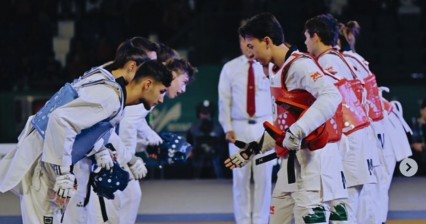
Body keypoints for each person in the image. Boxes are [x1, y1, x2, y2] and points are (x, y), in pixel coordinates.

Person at [0, 38, 173, 223]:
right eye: (162, 91)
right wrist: (63, 173)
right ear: (136, 71)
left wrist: (107, 151)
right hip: (42, 164)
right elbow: (60, 120)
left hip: (45, 159)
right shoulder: (110, 96)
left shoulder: (107, 83)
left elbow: (87, 127)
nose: (162, 99)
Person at [227, 12, 349, 224]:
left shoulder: (301, 65)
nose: (250, 54)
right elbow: (282, 124)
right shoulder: (277, 70)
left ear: (267, 41)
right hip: (292, 164)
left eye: (251, 46)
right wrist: (254, 148)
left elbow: (332, 96)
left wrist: (297, 130)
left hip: (315, 162)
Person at [218, 31, 275, 224]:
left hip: (264, 126)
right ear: (240, 42)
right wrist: (227, 127)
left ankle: (260, 220)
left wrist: (275, 130)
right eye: (243, 41)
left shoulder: (270, 66)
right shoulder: (230, 68)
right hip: (239, 126)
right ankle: (242, 220)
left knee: (264, 179)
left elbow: (277, 99)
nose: (247, 45)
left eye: (250, 41)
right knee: (240, 179)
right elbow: (223, 100)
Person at [187, 100, 227, 179]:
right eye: (203, 112)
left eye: (207, 112)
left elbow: (225, 148)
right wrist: (195, 152)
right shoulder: (193, 129)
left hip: (216, 164)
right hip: (197, 164)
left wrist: (215, 150)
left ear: (211, 113)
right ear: (199, 113)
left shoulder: (219, 129)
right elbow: (188, 147)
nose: (205, 115)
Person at [411, 99, 426, 175]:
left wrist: (423, 145)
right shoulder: (413, 125)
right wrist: (413, 145)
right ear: (422, 110)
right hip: (415, 165)